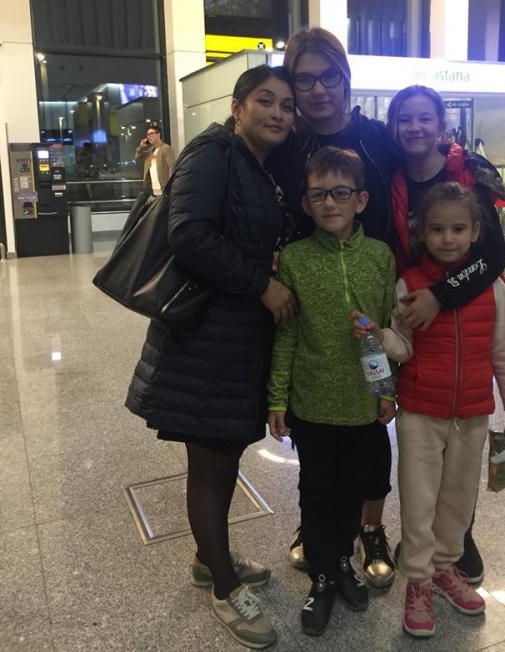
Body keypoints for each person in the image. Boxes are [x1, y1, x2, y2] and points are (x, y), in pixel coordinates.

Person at [125, 65, 297, 650]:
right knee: (211, 461)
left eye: (287, 106)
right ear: (238, 106)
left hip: (234, 337)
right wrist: (261, 284)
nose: (278, 113)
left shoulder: (253, 163)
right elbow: (189, 235)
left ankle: (210, 557)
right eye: (265, 100)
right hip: (205, 337)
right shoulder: (213, 151)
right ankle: (224, 587)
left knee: (225, 455)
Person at [354, 181, 505, 638]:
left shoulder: (491, 288)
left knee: (457, 499)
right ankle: (418, 580)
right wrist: (379, 337)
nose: (448, 238)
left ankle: (446, 568)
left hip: (472, 414)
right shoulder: (410, 284)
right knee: (420, 499)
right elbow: (404, 346)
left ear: (475, 232)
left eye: (458, 229)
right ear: (422, 233)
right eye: (437, 229)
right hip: (420, 415)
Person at [266, 27, 399, 588]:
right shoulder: (287, 145)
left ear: (345, 79)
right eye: (304, 79)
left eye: (328, 77)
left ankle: (370, 528)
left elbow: (420, 182)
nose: (317, 89)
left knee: (371, 437)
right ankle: (320, 527)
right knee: (319, 448)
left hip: (373, 282)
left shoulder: (376, 138)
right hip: (304, 287)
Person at [386, 83, 505, 583]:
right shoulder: (395, 178)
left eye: (424, 118)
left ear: (441, 125)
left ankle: (456, 542)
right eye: (404, 119)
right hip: (417, 318)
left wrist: (441, 296)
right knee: (423, 460)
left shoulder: (468, 172)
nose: (414, 128)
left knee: (461, 461)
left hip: (460, 306)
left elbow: (492, 254)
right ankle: (424, 546)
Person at [135, 124, 176, 196]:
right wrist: (141, 147)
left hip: (164, 188)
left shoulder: (166, 148)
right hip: (153, 189)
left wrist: (170, 186)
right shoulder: (150, 150)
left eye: (151, 133)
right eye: (148, 135)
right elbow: (138, 158)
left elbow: (172, 167)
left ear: (158, 135)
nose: (149, 136)